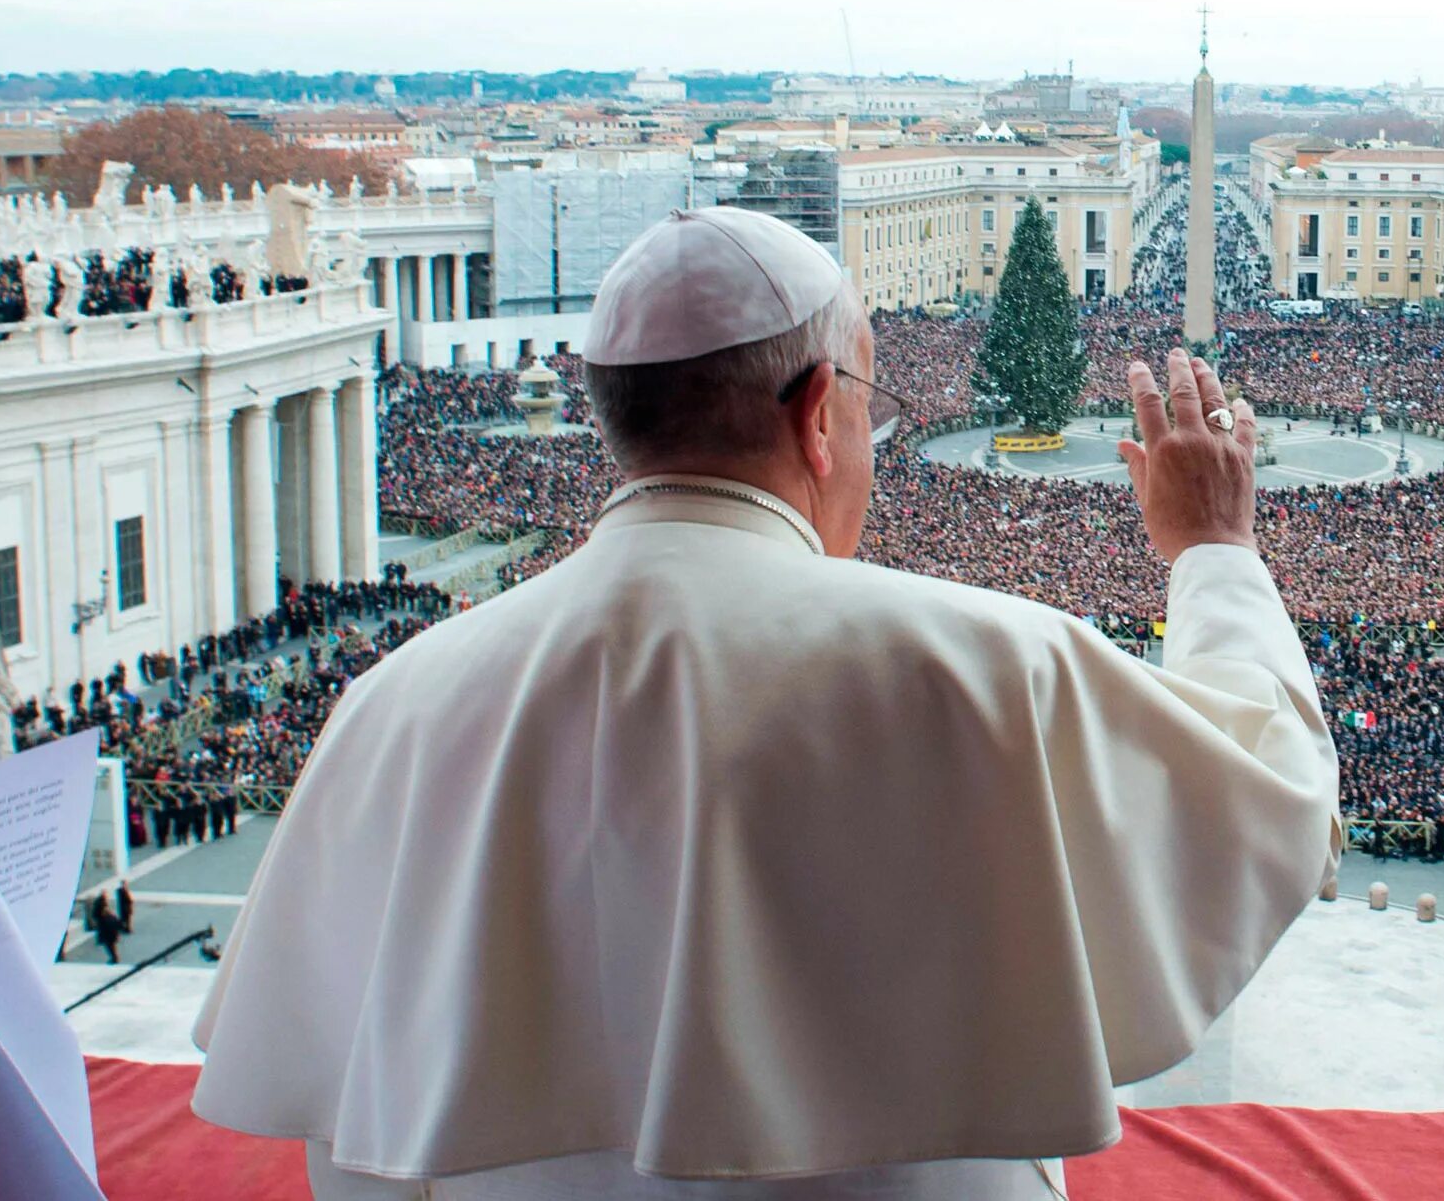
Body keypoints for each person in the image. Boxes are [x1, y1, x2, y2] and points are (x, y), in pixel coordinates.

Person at [190, 208, 1340, 1200]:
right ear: (816, 411)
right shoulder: (985, 659)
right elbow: (1275, 797)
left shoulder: (397, 703)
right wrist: (1213, 553)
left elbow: (350, 1129)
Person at [87, 892, 121, 966]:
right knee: (111, 945)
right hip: (109, 931)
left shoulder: (101, 910)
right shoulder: (106, 912)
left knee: (109, 945)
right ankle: (115, 958)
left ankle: (114, 958)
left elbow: (95, 916)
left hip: (107, 931)